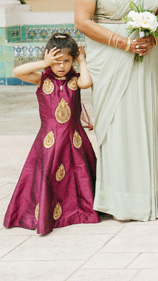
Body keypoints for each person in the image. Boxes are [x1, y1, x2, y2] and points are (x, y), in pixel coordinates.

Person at [75, 0, 158, 222]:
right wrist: (123, 43)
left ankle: (146, 198)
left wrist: (150, 40)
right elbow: (82, 20)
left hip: (145, 57)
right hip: (110, 58)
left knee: (143, 122)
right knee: (115, 125)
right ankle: (116, 200)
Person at [3, 33, 99, 234]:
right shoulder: (42, 79)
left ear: (72, 60)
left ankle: (78, 212)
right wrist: (43, 63)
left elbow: (86, 83)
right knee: (49, 176)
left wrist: (82, 61)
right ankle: (47, 213)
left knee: (77, 175)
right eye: (56, 62)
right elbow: (17, 71)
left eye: (66, 61)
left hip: (75, 140)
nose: (61, 66)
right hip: (49, 141)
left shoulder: (75, 79)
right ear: (48, 61)